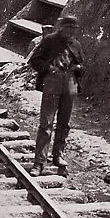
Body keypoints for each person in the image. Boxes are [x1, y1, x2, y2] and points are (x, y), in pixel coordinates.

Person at [28, 15, 84, 177]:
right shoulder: (50, 41)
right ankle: (39, 162)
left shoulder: (76, 45)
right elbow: (35, 61)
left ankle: (57, 155)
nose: (72, 32)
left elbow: (82, 66)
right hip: (52, 84)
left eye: (74, 29)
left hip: (70, 85)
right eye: (69, 28)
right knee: (46, 124)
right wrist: (50, 68)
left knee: (64, 124)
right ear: (62, 27)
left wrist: (77, 68)